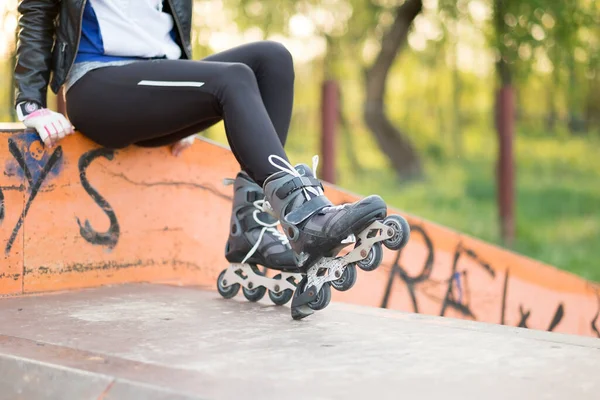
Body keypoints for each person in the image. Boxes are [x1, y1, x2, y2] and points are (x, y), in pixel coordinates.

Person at [14, 0, 408, 319]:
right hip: (99, 87)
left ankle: (250, 226)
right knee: (233, 77)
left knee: (273, 58)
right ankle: (305, 217)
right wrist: (30, 102)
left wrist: (183, 102)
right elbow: (37, 11)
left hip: (158, 85)